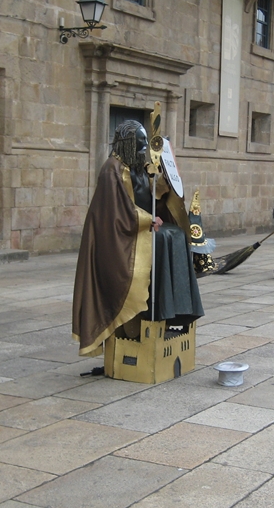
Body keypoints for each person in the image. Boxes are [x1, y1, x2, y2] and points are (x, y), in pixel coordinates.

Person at [72, 120, 204, 356]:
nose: (143, 151)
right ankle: (151, 311)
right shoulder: (111, 169)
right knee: (164, 238)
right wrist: (147, 220)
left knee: (176, 235)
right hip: (119, 239)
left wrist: (164, 182)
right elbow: (115, 212)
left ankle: (174, 310)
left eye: (145, 146)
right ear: (127, 144)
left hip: (139, 228)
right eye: (140, 145)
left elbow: (148, 197)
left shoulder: (137, 167)